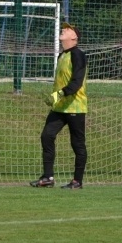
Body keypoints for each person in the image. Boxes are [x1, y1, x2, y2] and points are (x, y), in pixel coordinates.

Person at [30, 22, 88, 189]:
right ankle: (48, 177)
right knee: (47, 136)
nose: (64, 29)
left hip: (75, 106)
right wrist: (54, 97)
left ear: (74, 38)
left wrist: (60, 93)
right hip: (60, 107)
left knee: (77, 143)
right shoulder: (62, 55)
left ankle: (77, 181)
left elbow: (76, 82)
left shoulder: (78, 54)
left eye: (67, 29)